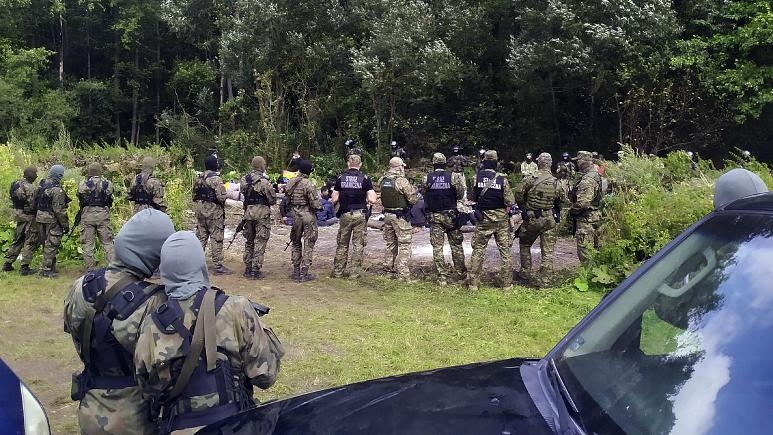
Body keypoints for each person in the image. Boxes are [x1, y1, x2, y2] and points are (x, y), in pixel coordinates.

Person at [134, 231, 285, 435]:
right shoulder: (236, 309)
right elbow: (266, 377)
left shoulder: (151, 325)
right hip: (235, 425)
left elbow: (147, 391)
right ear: (200, 265)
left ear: (165, 271)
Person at [64, 209, 175, 435]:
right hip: (136, 416)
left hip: (90, 407)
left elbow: (71, 328)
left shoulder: (80, 286)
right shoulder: (154, 302)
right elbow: (163, 368)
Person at [468, 150, 515, 290]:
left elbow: (472, 198)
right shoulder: (502, 179)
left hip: (483, 219)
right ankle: (507, 285)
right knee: (505, 252)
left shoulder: (476, 178)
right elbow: (510, 201)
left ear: (484, 162)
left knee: (478, 250)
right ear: (496, 163)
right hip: (501, 220)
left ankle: (473, 284)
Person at [515, 153, 560, 286]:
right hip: (549, 219)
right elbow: (561, 199)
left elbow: (518, 195)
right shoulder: (556, 182)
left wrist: (524, 208)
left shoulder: (530, 179)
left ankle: (525, 274)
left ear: (539, 163)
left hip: (533, 218)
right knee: (548, 251)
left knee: (525, 244)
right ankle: (545, 280)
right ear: (550, 164)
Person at [331, 154, 377, 278]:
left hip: (345, 214)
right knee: (358, 245)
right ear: (360, 164)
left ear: (348, 164)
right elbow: (373, 199)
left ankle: (338, 271)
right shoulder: (365, 179)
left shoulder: (341, 178)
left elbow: (334, 199)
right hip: (360, 215)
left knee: (342, 244)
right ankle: (354, 273)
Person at [424, 153, 467, 286]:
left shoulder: (427, 178)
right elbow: (460, 195)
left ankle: (442, 277)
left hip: (434, 217)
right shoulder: (453, 177)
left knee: (437, 247)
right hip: (451, 217)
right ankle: (461, 275)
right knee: (456, 245)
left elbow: (424, 194)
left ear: (434, 163)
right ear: (445, 164)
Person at [377, 157, 419, 282]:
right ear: (399, 166)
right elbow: (413, 199)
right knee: (404, 245)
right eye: (402, 166)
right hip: (400, 216)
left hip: (387, 215)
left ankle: (388, 270)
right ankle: (403, 274)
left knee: (390, 244)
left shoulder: (382, 180)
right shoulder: (401, 181)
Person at [239, 156, 277, 280]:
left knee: (249, 241)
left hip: (248, 213)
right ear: (261, 166)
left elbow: (243, 193)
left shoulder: (245, 180)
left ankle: (247, 268)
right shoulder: (264, 182)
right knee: (260, 241)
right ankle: (255, 270)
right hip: (262, 215)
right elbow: (272, 200)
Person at [193, 155, 231, 275]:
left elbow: (194, 196)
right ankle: (218, 265)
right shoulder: (216, 180)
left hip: (200, 211)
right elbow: (222, 197)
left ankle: (195, 263)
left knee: (201, 237)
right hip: (214, 212)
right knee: (216, 237)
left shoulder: (199, 178)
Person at [285, 159, 322, 282]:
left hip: (295, 215)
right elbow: (315, 203)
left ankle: (296, 270)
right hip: (307, 215)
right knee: (309, 243)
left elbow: (287, 200)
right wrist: (320, 207)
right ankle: (304, 272)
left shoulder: (291, 183)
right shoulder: (308, 184)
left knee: (296, 242)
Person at [77, 162, 115, 271]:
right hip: (103, 215)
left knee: (88, 244)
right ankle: (112, 267)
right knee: (107, 243)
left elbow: (79, 196)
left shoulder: (83, 183)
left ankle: (90, 269)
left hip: (87, 216)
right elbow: (110, 195)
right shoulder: (107, 183)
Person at [35, 164, 70, 278]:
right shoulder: (57, 190)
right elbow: (59, 210)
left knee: (45, 243)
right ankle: (46, 269)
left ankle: (50, 266)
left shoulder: (41, 184)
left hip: (39, 217)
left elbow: (34, 200)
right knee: (52, 243)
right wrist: (65, 225)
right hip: (52, 219)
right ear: (59, 175)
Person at [4, 166, 38, 273]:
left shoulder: (16, 183)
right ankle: (24, 267)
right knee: (30, 241)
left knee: (18, 240)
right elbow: (32, 204)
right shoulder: (30, 188)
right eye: (35, 174)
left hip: (18, 214)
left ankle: (8, 263)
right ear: (32, 176)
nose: (37, 175)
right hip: (29, 216)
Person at [570, 151, 603, 262]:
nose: (577, 163)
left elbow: (583, 203)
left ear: (582, 162)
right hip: (595, 216)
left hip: (586, 219)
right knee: (596, 250)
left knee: (585, 252)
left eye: (578, 160)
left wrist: (571, 211)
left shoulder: (587, 179)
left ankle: (587, 271)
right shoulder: (596, 174)